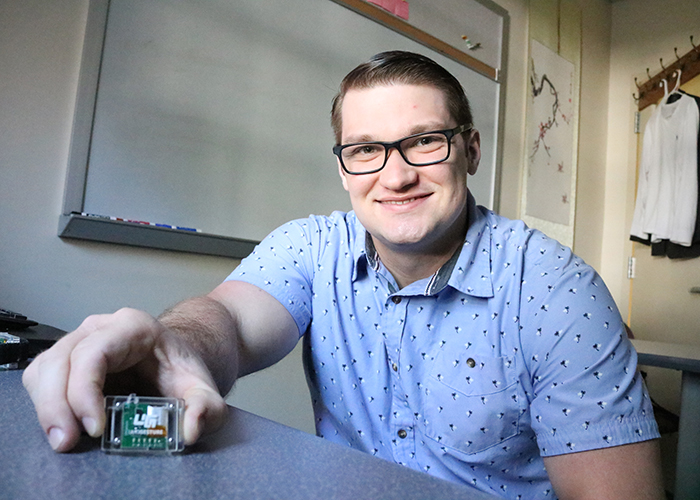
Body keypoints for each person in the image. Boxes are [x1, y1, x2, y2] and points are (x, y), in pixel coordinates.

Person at [23, 51, 664, 499]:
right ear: (343, 167)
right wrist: (173, 347)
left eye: (424, 141)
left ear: (470, 148)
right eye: (365, 151)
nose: (395, 174)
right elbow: (226, 323)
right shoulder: (310, 248)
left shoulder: (558, 293)